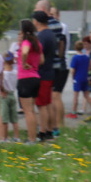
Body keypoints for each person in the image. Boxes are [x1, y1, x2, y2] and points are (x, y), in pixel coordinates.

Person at [16, 19, 43, 143]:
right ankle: (34, 136)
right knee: (32, 110)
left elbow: (25, 52)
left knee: (27, 112)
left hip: (25, 78)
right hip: (36, 77)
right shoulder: (37, 43)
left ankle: (31, 139)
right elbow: (42, 60)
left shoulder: (26, 42)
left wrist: (25, 63)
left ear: (22, 31)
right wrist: (34, 64)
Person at [32, 9, 57, 140]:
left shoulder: (41, 36)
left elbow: (38, 55)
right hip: (50, 72)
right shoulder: (51, 34)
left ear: (37, 22)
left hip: (42, 73)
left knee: (41, 105)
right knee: (47, 103)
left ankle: (42, 132)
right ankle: (50, 130)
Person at [47, 4, 70, 134]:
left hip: (61, 64)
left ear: (58, 15)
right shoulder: (57, 27)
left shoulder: (61, 26)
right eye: (50, 14)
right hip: (57, 64)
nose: (51, 17)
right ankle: (55, 123)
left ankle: (60, 124)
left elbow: (59, 46)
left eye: (53, 14)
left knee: (56, 95)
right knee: (53, 96)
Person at [69, 38, 91, 117]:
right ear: (83, 48)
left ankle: (74, 112)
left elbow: (73, 70)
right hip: (85, 78)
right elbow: (89, 67)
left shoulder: (75, 58)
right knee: (86, 95)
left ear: (75, 48)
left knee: (76, 96)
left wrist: (73, 78)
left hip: (77, 78)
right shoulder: (86, 57)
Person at [0, 51, 19, 142]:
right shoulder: (15, 72)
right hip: (12, 94)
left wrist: (2, 91)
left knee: (5, 118)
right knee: (14, 118)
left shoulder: (3, 73)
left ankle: (5, 137)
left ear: (3, 62)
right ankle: (16, 136)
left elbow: (1, 84)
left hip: (5, 95)